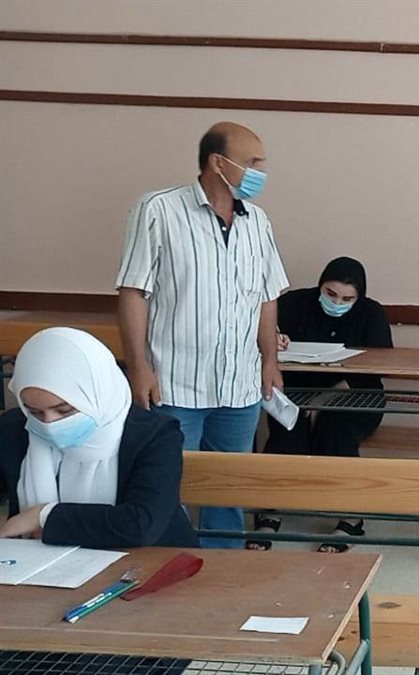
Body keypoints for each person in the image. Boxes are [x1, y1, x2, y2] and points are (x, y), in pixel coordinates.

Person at [114, 121, 289, 548]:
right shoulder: (158, 210)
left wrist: (269, 361)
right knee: (165, 488)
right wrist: (138, 368)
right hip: (174, 383)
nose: (260, 172)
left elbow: (266, 297)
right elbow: (134, 291)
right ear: (218, 163)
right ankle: (167, 566)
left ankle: (222, 566)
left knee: (228, 488)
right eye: (252, 163)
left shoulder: (257, 221)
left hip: (240, 385)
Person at [0, 328, 198, 548]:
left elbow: (141, 524)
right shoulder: (15, 428)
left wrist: (44, 516)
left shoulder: (155, 435)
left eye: (64, 410)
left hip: (152, 559)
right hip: (40, 561)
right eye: (34, 412)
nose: (49, 423)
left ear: (97, 392)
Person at [249, 257, 393, 552]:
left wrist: (328, 398)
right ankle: (269, 511)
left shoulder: (371, 314)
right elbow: (262, 338)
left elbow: (378, 367)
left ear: (359, 297)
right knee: (287, 431)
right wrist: (274, 340)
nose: (337, 303)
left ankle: (350, 517)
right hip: (297, 393)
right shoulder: (293, 304)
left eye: (347, 299)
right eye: (330, 294)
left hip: (355, 396)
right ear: (320, 286)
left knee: (337, 430)